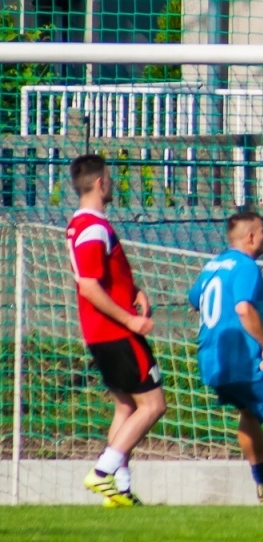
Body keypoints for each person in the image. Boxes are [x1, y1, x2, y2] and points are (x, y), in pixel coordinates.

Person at [68, 154, 165, 508]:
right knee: (153, 405)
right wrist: (130, 320)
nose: (112, 184)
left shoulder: (83, 224)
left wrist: (133, 290)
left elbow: (103, 276)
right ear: (100, 183)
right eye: (109, 178)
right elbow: (89, 286)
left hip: (101, 332)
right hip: (115, 332)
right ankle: (102, 472)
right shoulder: (92, 227)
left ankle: (120, 489)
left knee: (125, 406)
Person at [187, 210, 263, 505]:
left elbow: (195, 300)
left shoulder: (213, 264)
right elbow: (243, 308)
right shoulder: (246, 266)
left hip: (213, 360)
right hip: (244, 358)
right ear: (250, 237)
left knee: (248, 412)